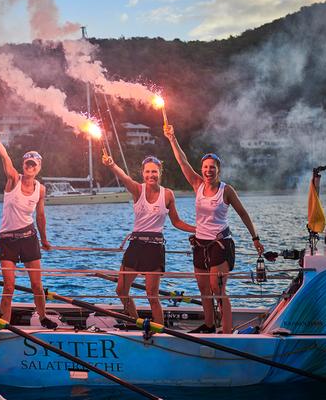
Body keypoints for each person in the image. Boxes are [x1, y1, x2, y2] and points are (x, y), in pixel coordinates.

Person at [164, 125, 264, 334]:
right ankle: (209, 325)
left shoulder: (226, 190)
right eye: (205, 167)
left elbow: (243, 214)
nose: (208, 171)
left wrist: (255, 238)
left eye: (212, 167)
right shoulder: (197, 184)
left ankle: (226, 331)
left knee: (218, 290)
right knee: (203, 289)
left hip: (220, 244)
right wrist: (172, 138)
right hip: (200, 244)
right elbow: (182, 161)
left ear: (218, 169)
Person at [102, 151, 195, 326]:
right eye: (147, 172)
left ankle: (159, 329)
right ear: (143, 173)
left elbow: (176, 221)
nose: (151, 175)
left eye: (154, 171)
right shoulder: (137, 189)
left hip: (154, 247)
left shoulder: (167, 194)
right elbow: (123, 177)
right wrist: (111, 164)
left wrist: (198, 229)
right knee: (121, 290)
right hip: (136, 246)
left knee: (152, 295)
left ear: (160, 173)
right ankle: (136, 322)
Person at [0, 120, 57, 329]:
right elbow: (5, 157)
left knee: (36, 284)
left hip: (29, 238)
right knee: (9, 285)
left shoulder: (40, 189)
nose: (30, 166)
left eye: (34, 164)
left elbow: (40, 216)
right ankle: (4, 323)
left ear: (39, 168)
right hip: (8, 240)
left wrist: (44, 240)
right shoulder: (13, 179)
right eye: (28, 163)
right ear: (24, 165)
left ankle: (42, 317)